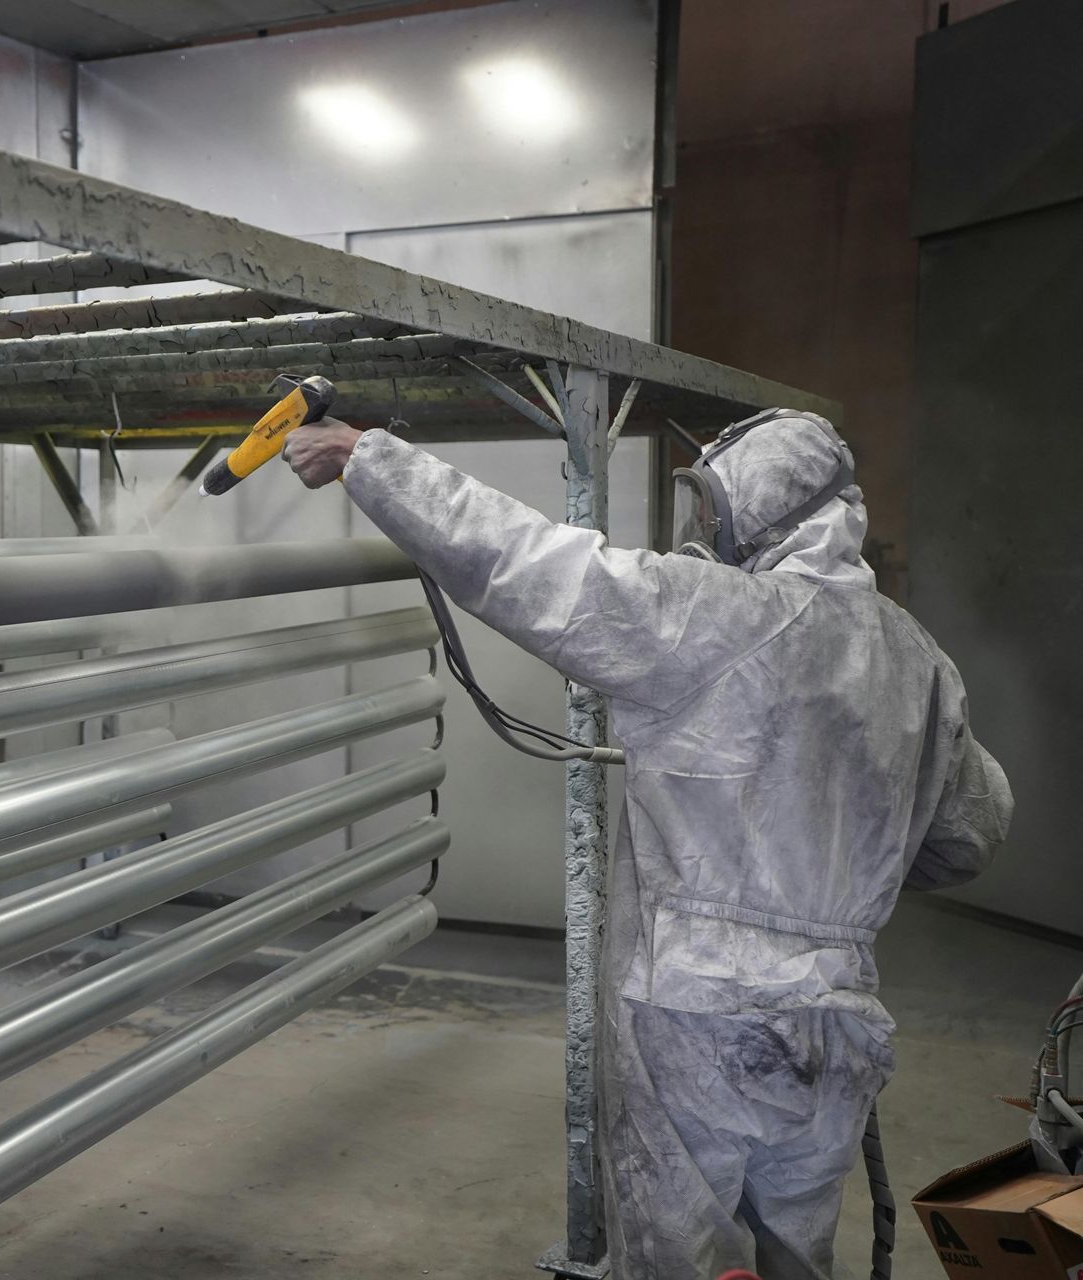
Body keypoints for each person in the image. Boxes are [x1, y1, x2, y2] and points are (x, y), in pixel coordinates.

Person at [283, 410, 1013, 1279]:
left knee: (683, 1261)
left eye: (715, 508)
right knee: (798, 1256)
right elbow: (969, 836)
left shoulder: (716, 615)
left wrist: (367, 458)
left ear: (762, 511)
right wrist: (843, 859)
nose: (706, 530)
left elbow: (526, 561)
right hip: (837, 1021)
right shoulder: (920, 661)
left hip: (695, 1021)